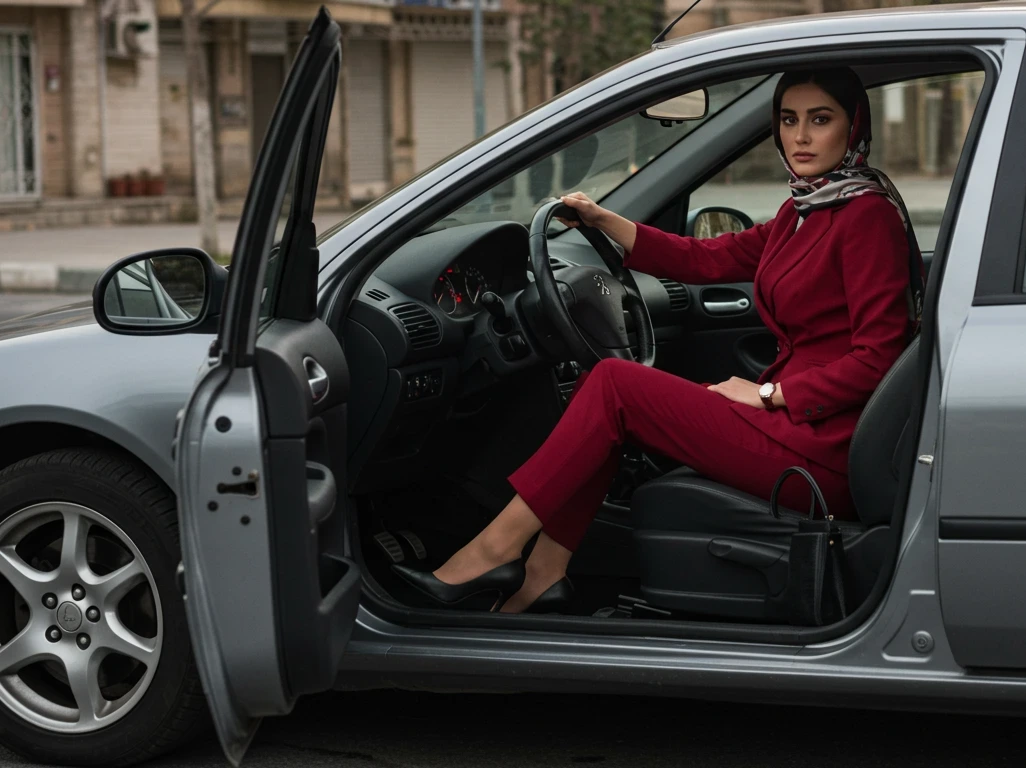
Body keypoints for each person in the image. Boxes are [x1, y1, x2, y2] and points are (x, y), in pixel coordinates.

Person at [394, 67, 920, 614]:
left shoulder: (866, 216)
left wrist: (768, 396)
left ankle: (491, 551)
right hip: (795, 429)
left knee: (615, 387)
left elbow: (878, 357)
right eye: (789, 120)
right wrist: (603, 220)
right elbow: (707, 257)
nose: (802, 136)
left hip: (824, 452)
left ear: (854, 127)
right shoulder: (805, 209)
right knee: (614, 403)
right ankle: (541, 575)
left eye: (821, 119)